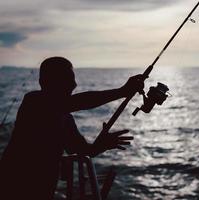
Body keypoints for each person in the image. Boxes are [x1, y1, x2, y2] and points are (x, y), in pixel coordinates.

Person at [0, 57, 144, 200]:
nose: (74, 84)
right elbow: (73, 102)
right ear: (45, 82)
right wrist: (122, 91)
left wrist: (102, 145)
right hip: (12, 187)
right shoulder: (33, 101)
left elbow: (82, 150)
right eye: (66, 79)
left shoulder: (66, 118)